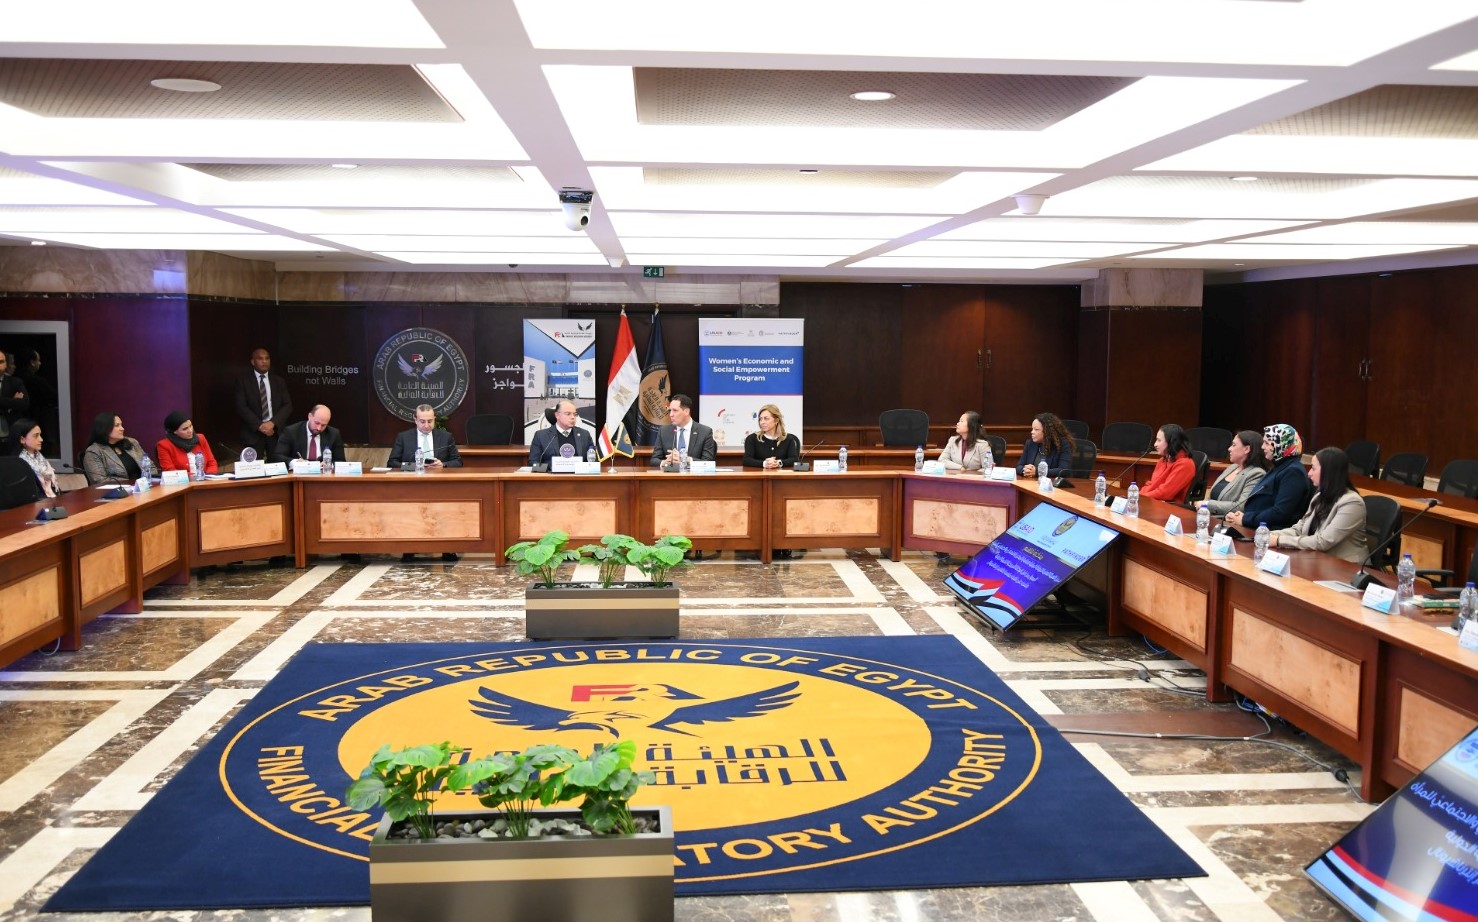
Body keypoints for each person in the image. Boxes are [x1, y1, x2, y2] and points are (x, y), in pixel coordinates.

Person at [1268, 447, 1369, 564]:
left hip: (1346, 566)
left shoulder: (1352, 503)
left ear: (1329, 472)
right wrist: (1270, 534)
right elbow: (1299, 529)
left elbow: (1324, 542)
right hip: (1317, 559)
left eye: (1313, 468)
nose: (1309, 473)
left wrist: (1279, 540)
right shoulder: (1320, 496)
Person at [1225, 424, 1312, 532]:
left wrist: (1245, 519)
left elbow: (1281, 513)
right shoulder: (1279, 467)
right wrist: (1241, 516)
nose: (1262, 447)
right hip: (1256, 528)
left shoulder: (1293, 472)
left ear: (1281, 444)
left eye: (1266, 443)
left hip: (1271, 534)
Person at [235, 348, 292, 460]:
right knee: (254, 468)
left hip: (275, 432)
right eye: (260, 359)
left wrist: (272, 423)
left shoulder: (279, 381)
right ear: (253, 362)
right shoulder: (243, 381)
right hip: (253, 433)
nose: (264, 361)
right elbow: (241, 407)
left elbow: (287, 405)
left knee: (277, 466)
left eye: (267, 358)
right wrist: (260, 425)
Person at [1203, 430, 1269, 516]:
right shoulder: (1232, 467)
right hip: (1209, 516)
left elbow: (1241, 507)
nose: (1229, 449)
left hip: (1227, 520)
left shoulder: (1256, 473)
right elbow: (1212, 497)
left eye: (1234, 445)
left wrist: (1208, 504)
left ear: (1247, 449)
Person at [649, 394, 717, 467]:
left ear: (686, 411)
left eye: (675, 410)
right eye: (670, 410)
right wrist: (665, 462)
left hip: (694, 474)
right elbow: (654, 460)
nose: (671, 414)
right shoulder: (664, 431)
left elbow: (708, 463)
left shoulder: (705, 432)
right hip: (671, 474)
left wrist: (686, 459)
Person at [389, 404, 464, 470]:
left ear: (434, 419)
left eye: (430, 421)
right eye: (422, 421)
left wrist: (443, 465)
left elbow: (458, 462)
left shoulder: (446, 437)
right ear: (416, 420)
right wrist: (414, 466)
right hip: (413, 478)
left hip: (438, 477)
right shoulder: (403, 437)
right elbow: (392, 463)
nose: (426, 425)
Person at [81, 411, 147, 485]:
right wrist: (134, 483)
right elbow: (100, 480)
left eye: (121, 425)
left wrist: (150, 481)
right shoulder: (93, 452)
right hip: (119, 490)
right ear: (104, 428)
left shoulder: (132, 442)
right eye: (117, 425)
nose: (122, 428)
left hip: (144, 487)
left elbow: (150, 466)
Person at [1139, 423, 1196, 503]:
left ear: (1171, 442)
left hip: (1170, 507)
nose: (1155, 444)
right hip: (1154, 501)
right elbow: (1152, 484)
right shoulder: (1162, 460)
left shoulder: (1185, 464)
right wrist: (1137, 495)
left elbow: (1165, 493)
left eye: (1159, 440)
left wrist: (1141, 497)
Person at [529, 399, 595, 467]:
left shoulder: (585, 435)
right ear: (557, 415)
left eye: (575, 414)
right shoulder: (541, 436)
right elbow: (533, 463)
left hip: (578, 473)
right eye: (568, 414)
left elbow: (593, 461)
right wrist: (551, 468)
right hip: (551, 473)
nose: (572, 417)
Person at [272, 405, 345, 466]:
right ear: (309, 416)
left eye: (323, 425)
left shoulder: (334, 434)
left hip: (323, 474)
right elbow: (278, 457)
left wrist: (328, 465)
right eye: (317, 423)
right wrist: (295, 462)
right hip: (298, 474)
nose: (319, 428)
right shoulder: (291, 431)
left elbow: (341, 461)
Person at [155, 411, 220, 475]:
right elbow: (169, 471)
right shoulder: (164, 445)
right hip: (182, 481)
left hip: (205, 479)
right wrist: (191, 477)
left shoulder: (201, 438)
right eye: (185, 429)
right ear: (175, 432)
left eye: (190, 426)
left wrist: (207, 476)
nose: (190, 430)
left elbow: (212, 463)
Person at [8, 418, 58, 497]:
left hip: (51, 498)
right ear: (22, 439)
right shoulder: (19, 464)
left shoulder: (39, 457)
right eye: (36, 436)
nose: (41, 439)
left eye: (40, 435)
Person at [1016, 412, 1073, 479]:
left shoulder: (1062, 444)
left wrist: (1037, 472)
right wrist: (1025, 470)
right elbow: (1019, 466)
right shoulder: (1030, 443)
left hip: (1052, 483)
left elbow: (1063, 470)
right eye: (1032, 429)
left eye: (1036, 429)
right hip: (1031, 482)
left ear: (1047, 431)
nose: (1032, 432)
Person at [743, 404, 800, 470]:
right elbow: (747, 460)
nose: (762, 422)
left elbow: (794, 459)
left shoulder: (788, 439)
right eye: (760, 419)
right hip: (759, 475)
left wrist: (778, 463)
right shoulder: (752, 438)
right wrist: (764, 464)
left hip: (781, 475)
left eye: (766, 419)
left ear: (776, 420)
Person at [0, 350, 29, 437]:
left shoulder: (15, 382)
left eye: (1, 362)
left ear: (6, 364)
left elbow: (24, 403)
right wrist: (12, 401)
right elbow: (16, 403)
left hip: (9, 432)